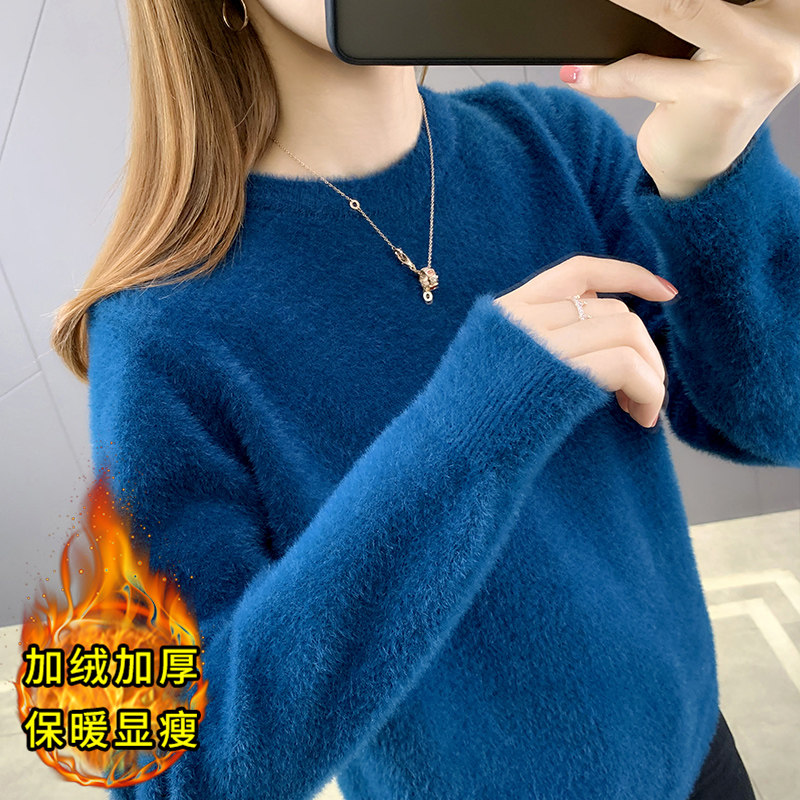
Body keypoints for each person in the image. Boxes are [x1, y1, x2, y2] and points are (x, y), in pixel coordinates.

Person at [50, 1, 800, 798]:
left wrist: (713, 176)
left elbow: (777, 421)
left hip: (701, 761)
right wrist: (473, 426)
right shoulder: (161, 330)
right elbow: (168, 772)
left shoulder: (556, 144)